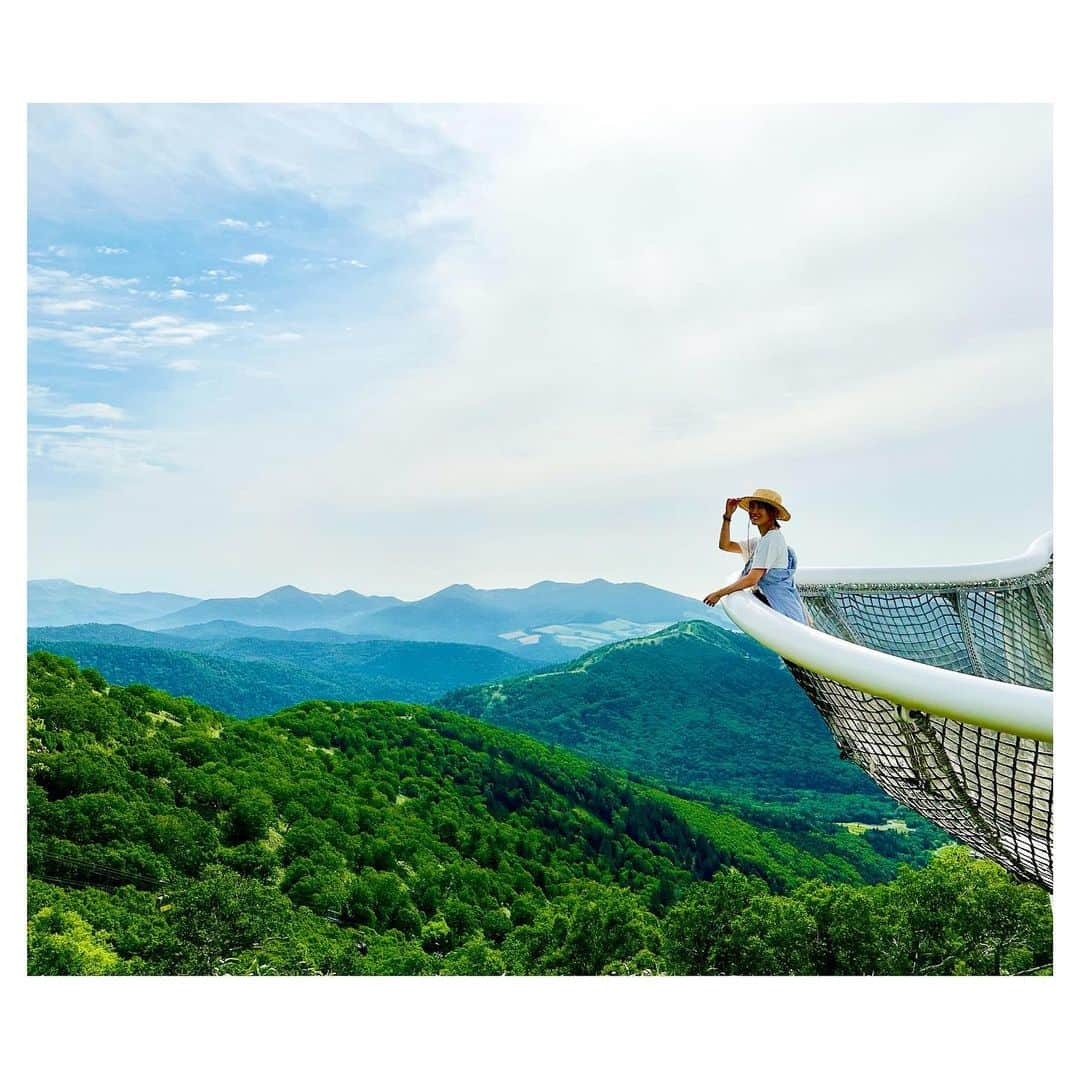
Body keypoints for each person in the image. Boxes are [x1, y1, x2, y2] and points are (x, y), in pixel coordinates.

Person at [703, 487, 810, 624]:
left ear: (772, 513)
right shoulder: (761, 541)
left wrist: (718, 594)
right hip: (780, 608)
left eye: (760, 508)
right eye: (752, 507)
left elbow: (752, 579)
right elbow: (725, 545)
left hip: (783, 611)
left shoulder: (771, 540)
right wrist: (728, 516)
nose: (754, 512)